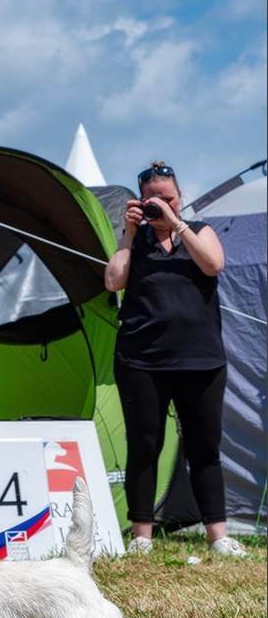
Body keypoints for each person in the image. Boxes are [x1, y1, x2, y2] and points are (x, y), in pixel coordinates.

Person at [104, 161, 246, 558]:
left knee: (205, 448)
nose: (162, 206)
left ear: (180, 198)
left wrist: (176, 224)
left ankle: (218, 537)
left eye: (169, 198)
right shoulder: (137, 241)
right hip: (141, 361)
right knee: (144, 445)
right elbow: (113, 280)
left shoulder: (200, 232)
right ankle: (142, 537)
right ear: (141, 201)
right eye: (155, 200)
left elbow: (213, 264)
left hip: (201, 362)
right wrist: (129, 234)